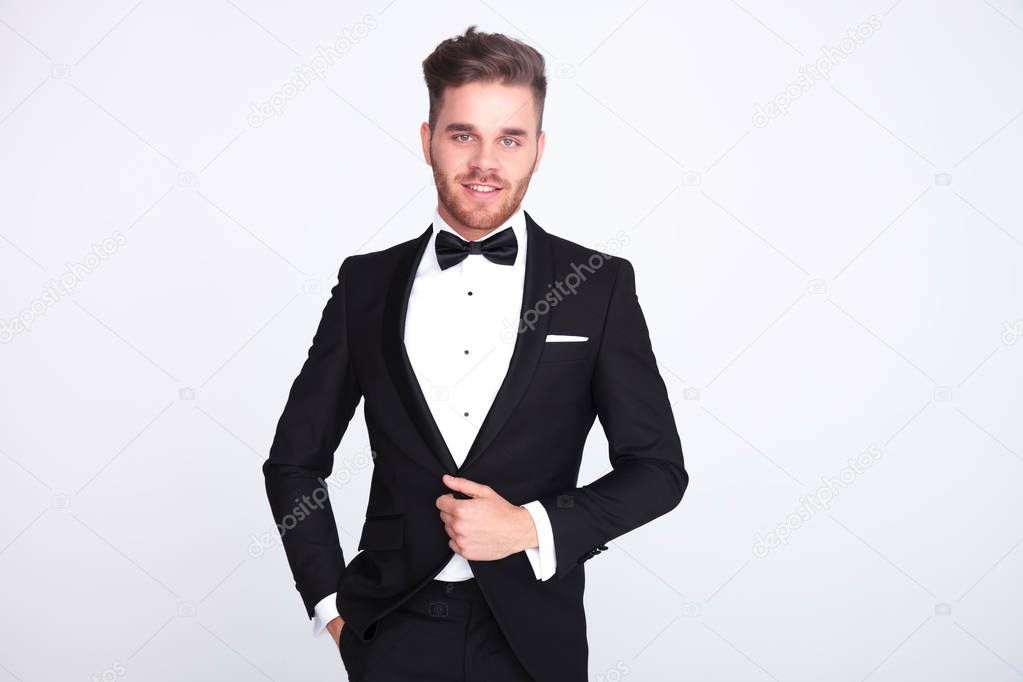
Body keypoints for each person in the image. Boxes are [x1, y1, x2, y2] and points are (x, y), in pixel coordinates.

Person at [263, 24, 689, 681]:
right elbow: (294, 461)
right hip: (390, 631)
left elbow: (657, 470)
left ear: (537, 150)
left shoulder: (597, 287)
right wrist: (331, 606)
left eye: (508, 139)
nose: (484, 162)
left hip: (532, 639)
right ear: (427, 139)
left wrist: (530, 526)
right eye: (463, 134)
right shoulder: (364, 285)